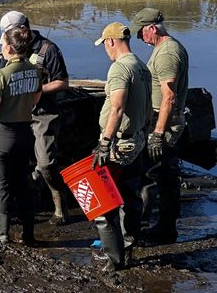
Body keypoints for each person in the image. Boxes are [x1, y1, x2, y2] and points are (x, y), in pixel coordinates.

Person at [0, 11, 70, 225]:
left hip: (43, 114)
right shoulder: (10, 48)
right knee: (15, 161)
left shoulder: (48, 50)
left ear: (23, 29)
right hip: (18, 115)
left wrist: (36, 89)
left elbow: (63, 82)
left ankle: (60, 205)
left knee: (46, 163)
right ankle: (27, 200)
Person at [92, 22, 152, 271]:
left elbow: (116, 107)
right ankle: (129, 242)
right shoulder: (141, 66)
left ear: (111, 42)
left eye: (104, 44)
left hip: (119, 144)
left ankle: (113, 258)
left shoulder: (119, 69)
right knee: (130, 196)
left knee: (104, 204)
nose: (105, 49)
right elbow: (149, 104)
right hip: (137, 139)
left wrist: (105, 143)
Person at [131, 8, 189, 244]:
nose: (140, 39)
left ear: (152, 28)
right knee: (166, 175)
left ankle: (154, 229)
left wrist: (157, 133)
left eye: (141, 33)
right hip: (162, 119)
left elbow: (169, 96)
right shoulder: (166, 48)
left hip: (162, 121)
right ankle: (165, 227)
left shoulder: (167, 53)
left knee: (153, 176)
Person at [0, 24, 42, 244]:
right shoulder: (35, 70)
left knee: (2, 187)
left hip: (1, 136)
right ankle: (28, 234)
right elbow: (36, 98)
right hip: (25, 134)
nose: (1, 46)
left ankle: (3, 233)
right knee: (23, 184)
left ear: (9, 48)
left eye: (3, 43)